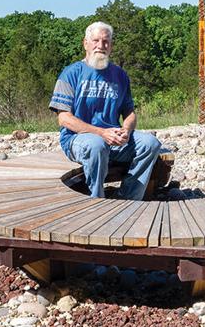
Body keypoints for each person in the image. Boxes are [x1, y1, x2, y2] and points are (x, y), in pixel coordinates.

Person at [49, 21, 161, 200]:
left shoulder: (120, 75)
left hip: (113, 136)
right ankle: (97, 201)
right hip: (78, 139)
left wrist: (126, 130)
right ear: (85, 43)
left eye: (106, 41)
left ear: (111, 46)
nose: (101, 46)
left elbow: (129, 112)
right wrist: (101, 133)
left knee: (150, 143)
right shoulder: (71, 74)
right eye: (95, 41)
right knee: (96, 144)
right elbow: (64, 119)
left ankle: (129, 198)